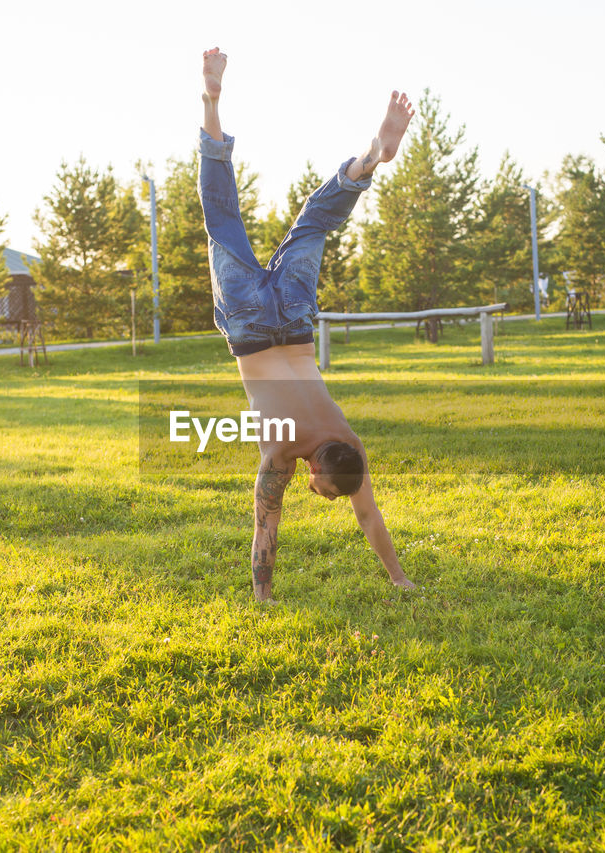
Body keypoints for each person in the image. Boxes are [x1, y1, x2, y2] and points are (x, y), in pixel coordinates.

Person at [198, 47, 416, 601]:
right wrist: (262, 595)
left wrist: (401, 577)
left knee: (314, 223)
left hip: (293, 322)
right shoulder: (280, 454)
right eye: (325, 490)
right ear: (318, 468)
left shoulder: (351, 442)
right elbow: (265, 525)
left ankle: (367, 162)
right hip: (249, 325)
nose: (323, 495)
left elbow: (364, 511)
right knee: (220, 216)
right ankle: (210, 103)